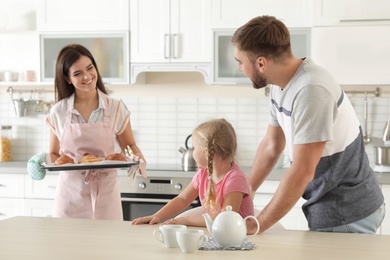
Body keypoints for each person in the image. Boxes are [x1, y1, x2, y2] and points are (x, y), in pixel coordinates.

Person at [231, 16, 385, 234]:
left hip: (347, 210)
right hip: (327, 206)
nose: (239, 68)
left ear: (261, 63)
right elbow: (272, 144)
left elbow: (302, 172)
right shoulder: (279, 84)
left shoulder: (311, 90)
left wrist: (258, 224)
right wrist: (247, 189)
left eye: (240, 61)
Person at [46, 44, 145, 220]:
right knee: (68, 246)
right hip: (70, 196)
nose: (87, 76)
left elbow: (129, 146)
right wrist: (47, 162)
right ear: (67, 79)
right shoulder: (58, 112)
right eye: (77, 73)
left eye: (90, 68)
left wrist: (137, 157)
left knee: (107, 245)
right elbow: (54, 154)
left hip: (106, 193)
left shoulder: (115, 107)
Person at [131, 118, 254, 226]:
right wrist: (157, 216)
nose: (192, 151)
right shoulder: (203, 174)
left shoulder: (235, 179)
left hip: (242, 240)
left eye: (194, 147)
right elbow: (183, 199)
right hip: (219, 235)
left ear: (206, 152)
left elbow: (226, 218)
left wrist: (186, 220)